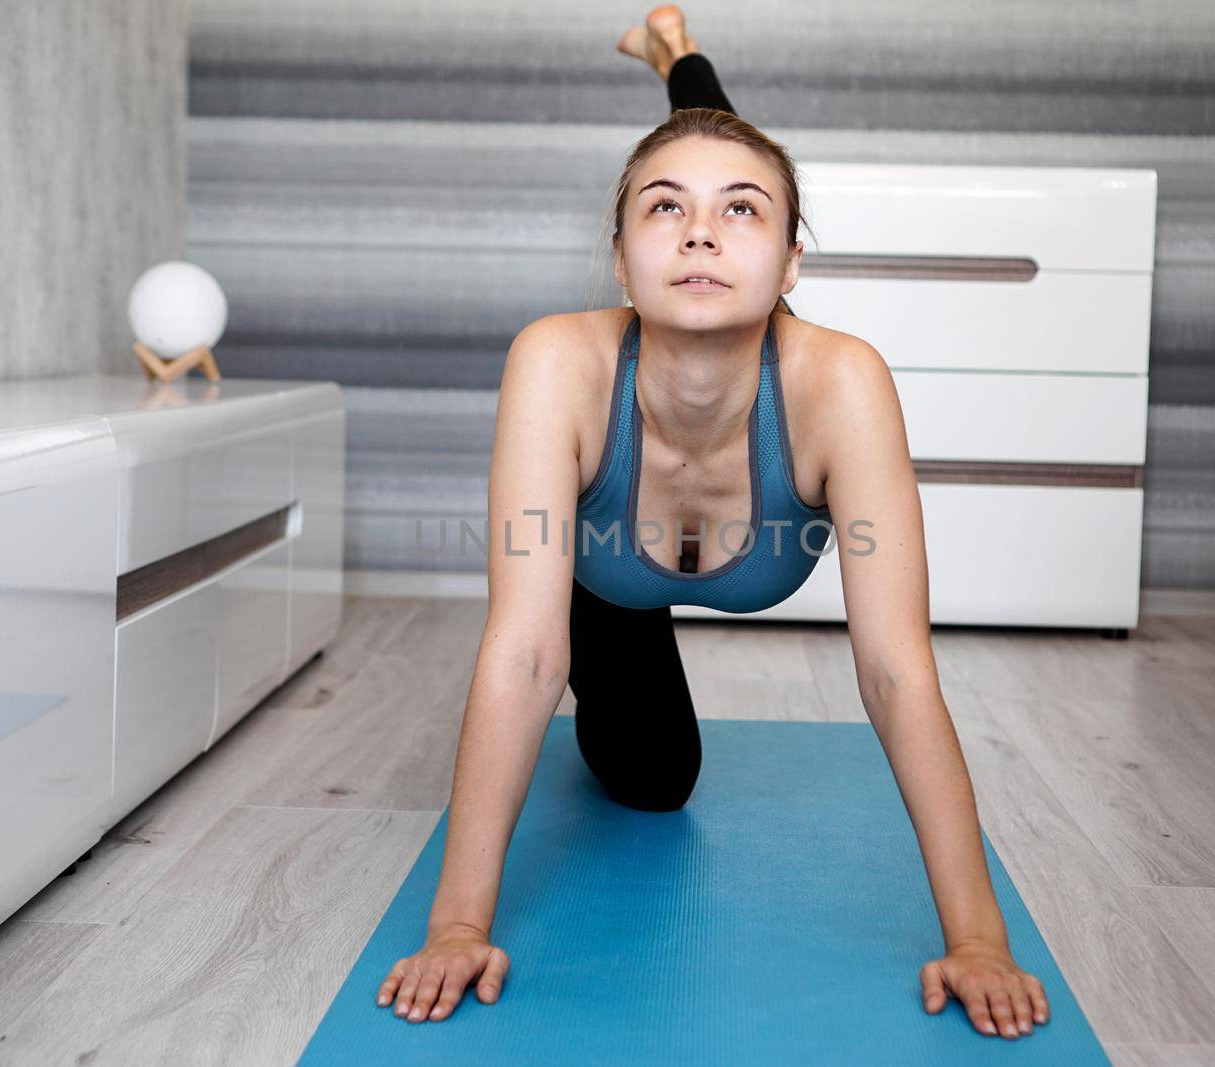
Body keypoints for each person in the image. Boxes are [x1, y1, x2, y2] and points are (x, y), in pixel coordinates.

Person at [375, 5, 1050, 1041]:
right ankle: (680, 82)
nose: (698, 231)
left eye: (745, 216)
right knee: (654, 782)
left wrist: (977, 936)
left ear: (793, 266)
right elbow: (523, 650)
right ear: (611, 259)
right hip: (606, 581)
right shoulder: (558, 359)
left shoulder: (839, 381)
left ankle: (676, 58)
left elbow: (895, 667)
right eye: (659, 211)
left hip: (762, 365)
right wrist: (459, 921)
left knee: (716, 171)